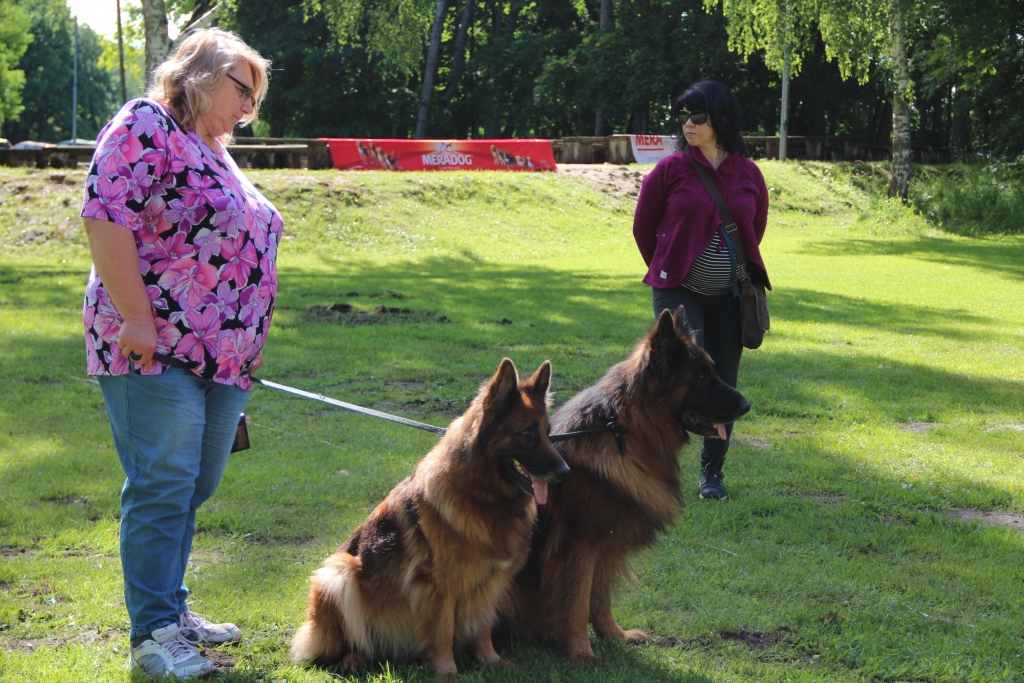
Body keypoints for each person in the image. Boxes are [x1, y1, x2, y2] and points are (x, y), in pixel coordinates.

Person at [80, 29, 281, 679]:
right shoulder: (148, 123)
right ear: (201, 72)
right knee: (164, 482)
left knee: (194, 484)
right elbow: (105, 212)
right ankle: (154, 636)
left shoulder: (213, 149)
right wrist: (137, 316)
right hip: (154, 347)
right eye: (243, 89)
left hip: (224, 361)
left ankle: (172, 606)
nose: (250, 108)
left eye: (257, 98)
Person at [632, 80, 770, 501]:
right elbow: (644, 227)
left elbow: (755, 225)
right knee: (676, 377)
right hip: (679, 292)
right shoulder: (669, 170)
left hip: (730, 297)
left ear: (720, 120)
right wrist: (668, 266)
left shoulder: (748, 172)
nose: (687, 124)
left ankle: (712, 473)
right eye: (684, 116)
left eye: (697, 116)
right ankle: (658, 465)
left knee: (722, 383)